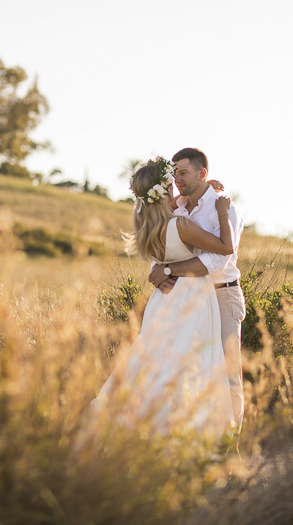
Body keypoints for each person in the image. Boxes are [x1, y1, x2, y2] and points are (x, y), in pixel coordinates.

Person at [88, 157, 235, 437]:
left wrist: (204, 189)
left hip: (163, 299)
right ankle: (178, 429)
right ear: (165, 189)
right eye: (172, 183)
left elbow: (168, 206)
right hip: (192, 299)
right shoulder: (181, 225)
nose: (177, 185)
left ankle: (131, 420)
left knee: (156, 358)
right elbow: (226, 248)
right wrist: (221, 209)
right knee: (190, 362)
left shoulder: (146, 228)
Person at [148, 148, 246, 429]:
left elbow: (219, 259)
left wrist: (169, 271)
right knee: (188, 368)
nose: (177, 179)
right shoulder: (175, 208)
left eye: (183, 173)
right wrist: (158, 271)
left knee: (227, 373)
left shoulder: (224, 208)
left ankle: (232, 443)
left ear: (202, 174)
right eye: (175, 173)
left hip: (222, 294)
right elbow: (164, 248)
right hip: (187, 298)